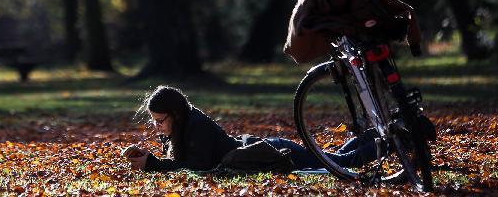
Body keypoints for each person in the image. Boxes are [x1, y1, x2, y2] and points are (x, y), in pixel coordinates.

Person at [121, 85, 378, 173]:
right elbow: (184, 161)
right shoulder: (181, 127)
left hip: (271, 151)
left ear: (175, 115)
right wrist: (146, 156)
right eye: (154, 120)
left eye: (160, 120)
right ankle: (379, 135)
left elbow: (199, 166)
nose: (156, 126)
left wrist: (152, 164)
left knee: (341, 163)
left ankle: (392, 140)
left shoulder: (196, 126)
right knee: (333, 157)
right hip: (261, 149)